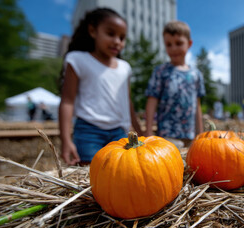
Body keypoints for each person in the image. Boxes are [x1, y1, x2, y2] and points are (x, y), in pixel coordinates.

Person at [59, 8, 142, 166]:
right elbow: (67, 101)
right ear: (92, 31)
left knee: (121, 173)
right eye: (111, 34)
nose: (117, 41)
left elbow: (128, 102)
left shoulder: (125, 67)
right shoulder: (77, 60)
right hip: (88, 132)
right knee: (90, 177)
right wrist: (66, 140)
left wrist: (140, 132)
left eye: (122, 37)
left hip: (119, 132)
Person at [145, 20, 205, 148]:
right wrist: (149, 131)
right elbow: (152, 101)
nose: (173, 49)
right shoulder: (160, 71)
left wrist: (200, 134)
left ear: (189, 44)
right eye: (168, 44)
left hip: (190, 134)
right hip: (167, 134)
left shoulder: (196, 74)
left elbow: (197, 106)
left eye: (178, 43)